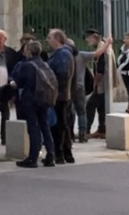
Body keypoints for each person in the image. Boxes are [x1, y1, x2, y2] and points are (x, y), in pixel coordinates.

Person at [12, 41, 56, 168]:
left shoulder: (27, 65)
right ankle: (50, 155)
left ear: (29, 52)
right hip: (44, 99)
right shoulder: (44, 64)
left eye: (26, 50)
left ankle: (33, 158)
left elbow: (20, 82)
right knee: (45, 126)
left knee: (33, 128)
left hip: (30, 99)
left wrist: (14, 83)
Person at [46, 29, 76, 164]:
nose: (48, 40)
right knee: (61, 125)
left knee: (59, 126)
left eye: (50, 37)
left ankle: (60, 153)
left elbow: (62, 75)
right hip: (59, 94)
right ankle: (64, 153)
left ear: (57, 39)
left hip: (60, 96)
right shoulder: (59, 54)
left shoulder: (63, 54)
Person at [84, 30, 114, 139]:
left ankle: (86, 130)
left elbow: (100, 70)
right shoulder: (102, 48)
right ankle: (102, 129)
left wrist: (95, 83)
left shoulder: (102, 50)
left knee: (90, 105)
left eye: (88, 37)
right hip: (104, 85)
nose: (86, 40)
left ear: (95, 37)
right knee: (101, 107)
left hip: (102, 84)